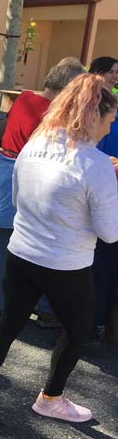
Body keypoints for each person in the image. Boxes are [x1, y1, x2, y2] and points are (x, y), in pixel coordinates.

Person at [0, 74, 118, 423]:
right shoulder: (95, 165)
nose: (109, 129)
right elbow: (110, 233)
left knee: (8, 326)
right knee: (77, 331)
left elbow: (19, 199)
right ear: (93, 116)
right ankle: (50, 397)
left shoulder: (33, 145)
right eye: (108, 121)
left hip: (22, 253)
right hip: (67, 264)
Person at [0, 57, 85, 318]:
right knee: (38, 245)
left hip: (5, 171)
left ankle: (3, 305)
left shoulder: (24, 98)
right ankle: (35, 308)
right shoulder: (54, 113)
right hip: (29, 178)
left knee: (6, 243)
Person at [88, 56, 118, 341]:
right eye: (112, 73)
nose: (116, 78)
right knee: (101, 264)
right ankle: (89, 324)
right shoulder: (99, 110)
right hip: (103, 196)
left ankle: (96, 322)